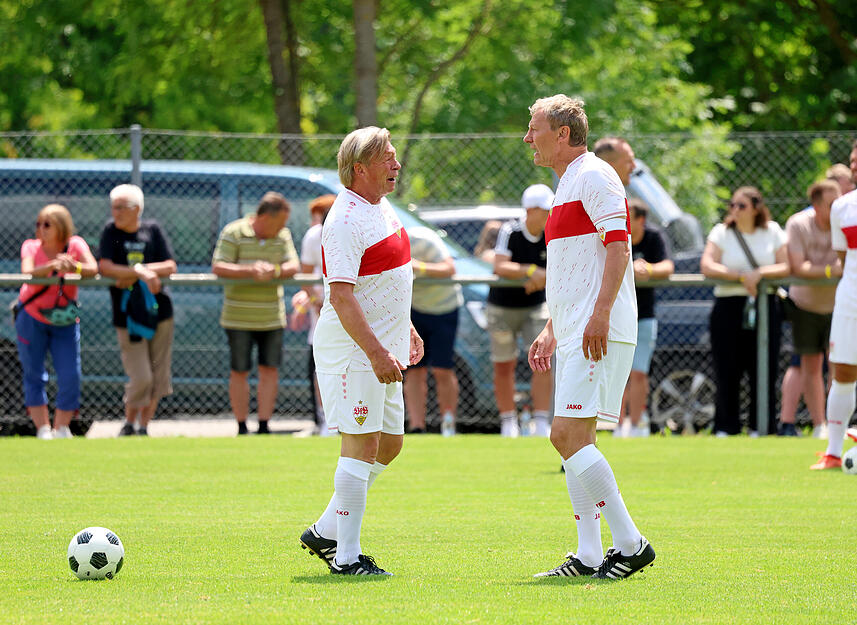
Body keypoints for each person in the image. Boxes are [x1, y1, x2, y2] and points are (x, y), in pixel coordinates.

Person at [525, 94, 655, 580]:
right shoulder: (567, 183)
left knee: (565, 436)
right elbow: (573, 270)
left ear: (562, 133)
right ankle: (588, 555)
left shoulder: (596, 175)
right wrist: (552, 327)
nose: (527, 137)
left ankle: (631, 543)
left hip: (597, 331)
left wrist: (599, 316)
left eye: (534, 128)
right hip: (576, 330)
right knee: (576, 440)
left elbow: (619, 249)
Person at [299, 126, 423, 576]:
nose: (396, 164)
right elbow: (341, 296)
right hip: (355, 351)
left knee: (389, 444)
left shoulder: (380, 207)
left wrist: (406, 328)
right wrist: (375, 353)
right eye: (386, 158)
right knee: (362, 443)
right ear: (359, 168)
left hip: (383, 347)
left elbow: (388, 279)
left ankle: (326, 529)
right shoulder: (344, 219)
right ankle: (346, 556)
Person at [700, 186, 789, 437]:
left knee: (764, 367)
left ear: (756, 209)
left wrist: (759, 274)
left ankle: (761, 426)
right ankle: (726, 426)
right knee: (727, 367)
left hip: (765, 306)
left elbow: (785, 266)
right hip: (728, 306)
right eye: (732, 205)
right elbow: (707, 265)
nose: (735, 210)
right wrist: (741, 277)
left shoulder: (772, 231)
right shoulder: (722, 232)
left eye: (741, 205)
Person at [212, 191, 299, 435]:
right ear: (266, 217)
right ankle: (241, 426)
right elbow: (219, 266)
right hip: (237, 317)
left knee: (269, 369)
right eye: (280, 222)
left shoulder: (283, 235)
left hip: (272, 317)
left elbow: (294, 265)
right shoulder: (234, 231)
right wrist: (251, 270)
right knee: (239, 370)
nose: (283, 227)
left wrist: (274, 271)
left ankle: (263, 426)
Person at [98, 184, 177, 437]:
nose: (116, 212)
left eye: (122, 207)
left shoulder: (152, 230)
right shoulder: (111, 232)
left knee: (157, 375)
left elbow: (170, 265)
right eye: (114, 207)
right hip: (128, 316)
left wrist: (139, 272)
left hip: (159, 312)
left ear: (137, 209)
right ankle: (129, 422)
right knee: (141, 376)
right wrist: (140, 273)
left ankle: (143, 427)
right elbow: (105, 267)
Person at [14, 204, 98, 439]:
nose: (41, 229)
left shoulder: (76, 244)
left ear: (62, 226)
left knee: (70, 374)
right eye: (38, 224)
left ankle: (61, 427)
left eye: (47, 224)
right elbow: (27, 270)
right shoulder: (31, 246)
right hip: (32, 316)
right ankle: (43, 428)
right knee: (34, 373)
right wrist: (52, 266)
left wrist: (73, 266)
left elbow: (93, 268)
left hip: (65, 320)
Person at [488, 184, 554, 438]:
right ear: (531, 210)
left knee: (542, 361)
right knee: (504, 364)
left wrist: (540, 277)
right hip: (502, 307)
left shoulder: (552, 232)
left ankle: (541, 422)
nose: (549, 214)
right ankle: (508, 423)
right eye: (545, 210)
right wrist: (530, 271)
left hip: (536, 306)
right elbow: (500, 266)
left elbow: (557, 268)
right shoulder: (510, 230)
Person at [778, 181, 842, 437]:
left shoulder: (846, 222)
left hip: (840, 306)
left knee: (840, 366)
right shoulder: (798, 224)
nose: (838, 208)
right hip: (805, 306)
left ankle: (837, 423)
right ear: (816, 205)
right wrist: (829, 271)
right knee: (811, 366)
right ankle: (819, 425)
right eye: (831, 204)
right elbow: (798, 266)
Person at [812, 140, 857, 470]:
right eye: (852, 160)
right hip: (850, 298)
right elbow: (844, 257)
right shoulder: (842, 207)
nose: (853, 166)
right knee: (842, 372)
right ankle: (832, 452)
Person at [620, 199, 674, 437]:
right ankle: (617, 426)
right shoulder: (614, 233)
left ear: (640, 219)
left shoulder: (654, 237)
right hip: (617, 315)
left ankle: (635, 425)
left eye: (628, 216)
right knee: (618, 373)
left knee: (639, 372)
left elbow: (668, 266)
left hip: (644, 315)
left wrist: (648, 269)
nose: (623, 220)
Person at [403, 225, 463, 435]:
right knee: (414, 369)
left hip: (444, 309)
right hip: (415, 309)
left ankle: (448, 424)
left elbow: (449, 268)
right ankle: (417, 426)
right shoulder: (385, 243)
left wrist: (416, 266)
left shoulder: (423, 238)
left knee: (442, 369)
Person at [291, 194, 336, 436]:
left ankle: (353, 420)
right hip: (325, 310)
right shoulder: (313, 237)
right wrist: (316, 302)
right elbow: (306, 277)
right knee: (323, 366)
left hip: (352, 308)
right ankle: (326, 420)